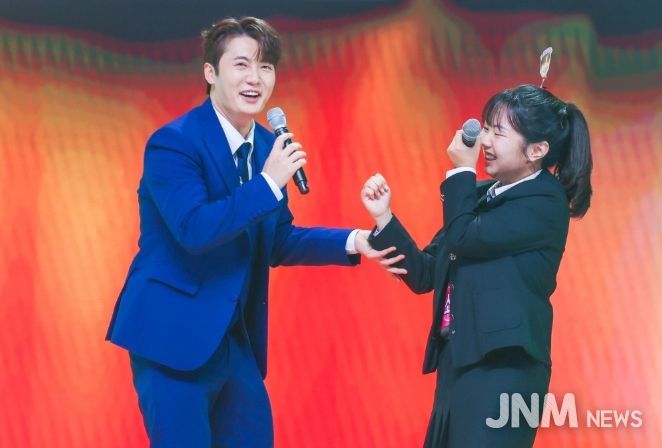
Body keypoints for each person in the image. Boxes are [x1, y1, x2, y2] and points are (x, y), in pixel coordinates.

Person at [106, 17, 375, 448]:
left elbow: (278, 240)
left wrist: (352, 240)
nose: (255, 78)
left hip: (234, 342)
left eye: (265, 66)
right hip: (172, 337)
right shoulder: (174, 143)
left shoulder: (268, 147)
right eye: (242, 64)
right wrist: (267, 184)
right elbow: (194, 229)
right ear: (210, 73)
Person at [360, 84, 593, 447]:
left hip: (503, 370)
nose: (484, 140)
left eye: (498, 132)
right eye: (485, 128)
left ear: (536, 150)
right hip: (458, 362)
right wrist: (384, 219)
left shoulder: (545, 201)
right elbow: (425, 273)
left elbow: (464, 237)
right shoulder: (482, 196)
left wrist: (461, 172)